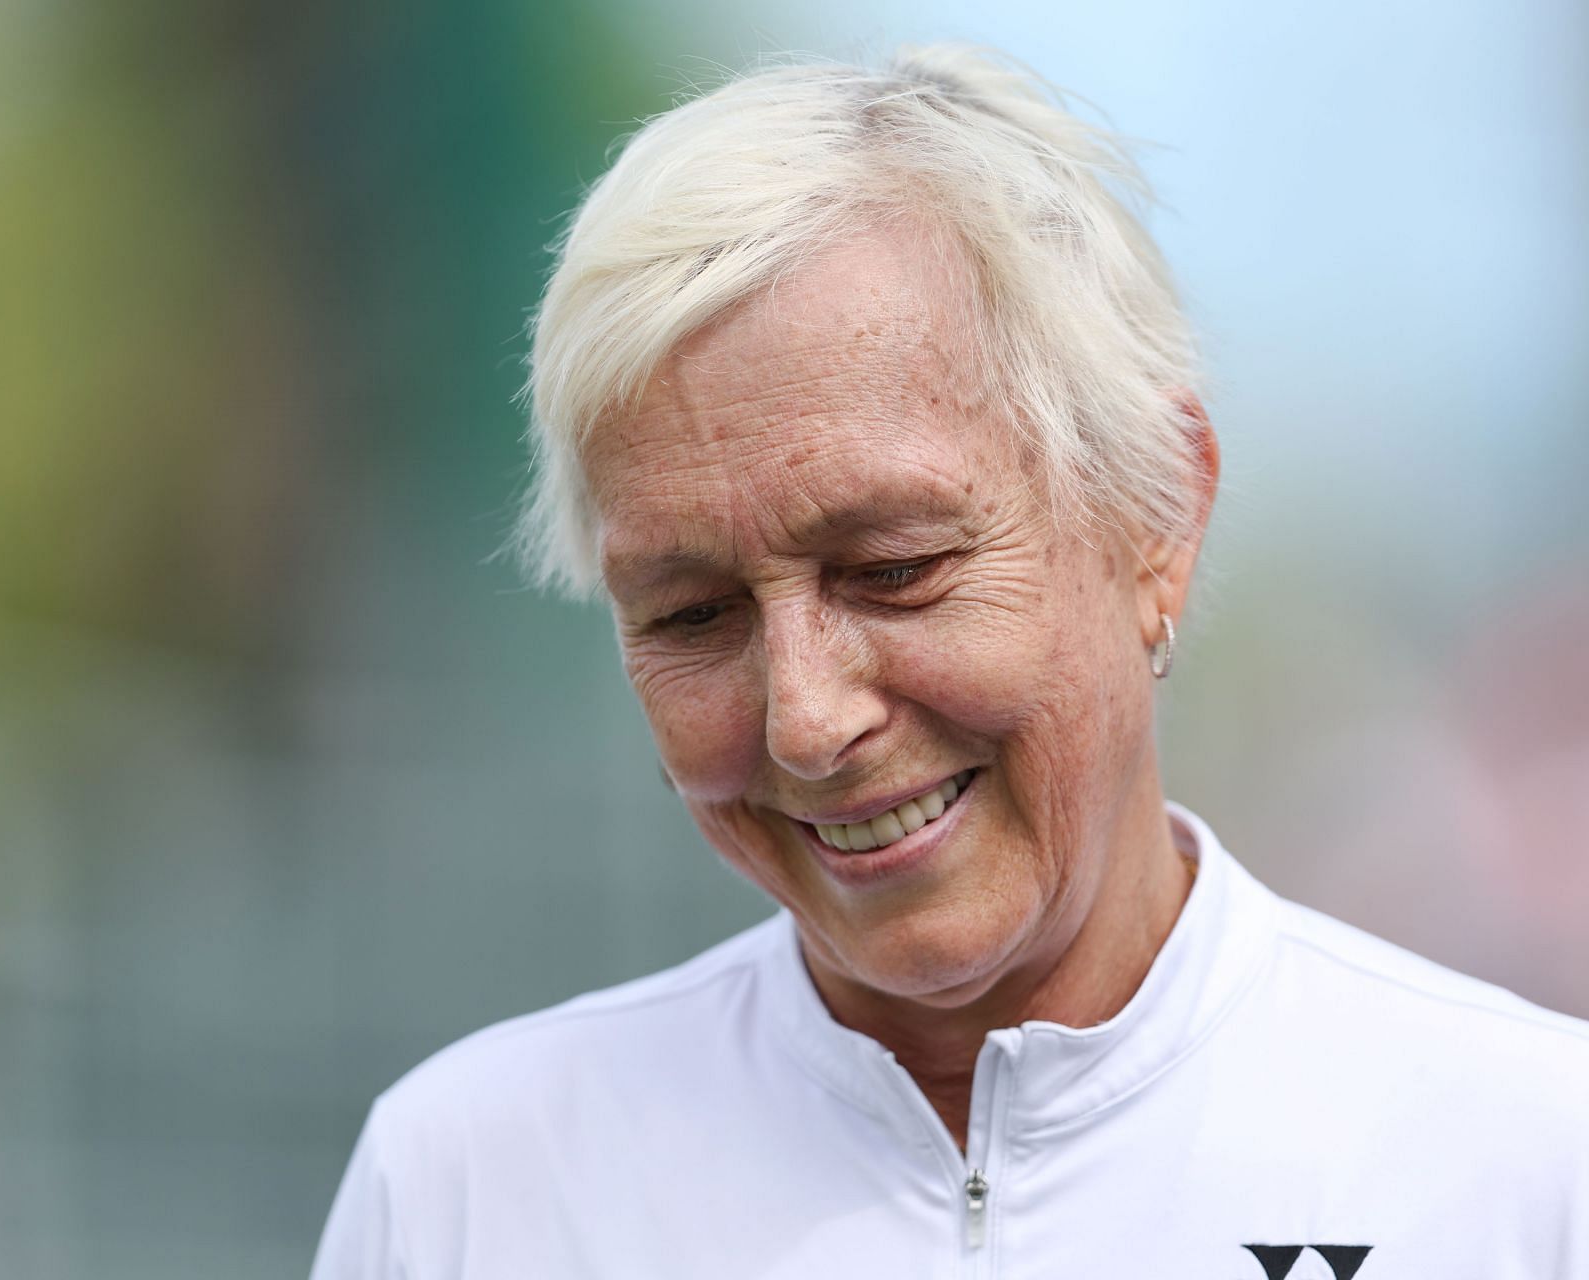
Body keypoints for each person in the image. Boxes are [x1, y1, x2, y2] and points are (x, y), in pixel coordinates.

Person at [311, 44, 1589, 1279]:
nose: (809, 720)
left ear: (1155, 520)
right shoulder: (470, 1189)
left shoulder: (1526, 1164)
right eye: (692, 614)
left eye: (896, 567)